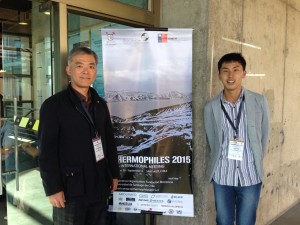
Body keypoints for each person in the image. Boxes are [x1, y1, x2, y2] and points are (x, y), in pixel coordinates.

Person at [38, 46, 120, 225]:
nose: (86, 71)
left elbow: (109, 142)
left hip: (99, 184)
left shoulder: (100, 104)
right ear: (69, 70)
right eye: (79, 66)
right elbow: (46, 152)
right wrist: (53, 188)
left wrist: (114, 174)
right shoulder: (54, 105)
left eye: (91, 66)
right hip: (70, 190)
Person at [204, 53, 270, 225]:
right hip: (222, 176)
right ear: (219, 75)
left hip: (250, 176)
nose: (230, 76)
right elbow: (213, 141)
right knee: (223, 221)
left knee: (246, 221)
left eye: (236, 70)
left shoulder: (259, 101)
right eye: (225, 71)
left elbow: (263, 136)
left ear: (244, 73)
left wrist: (255, 161)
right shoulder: (211, 107)